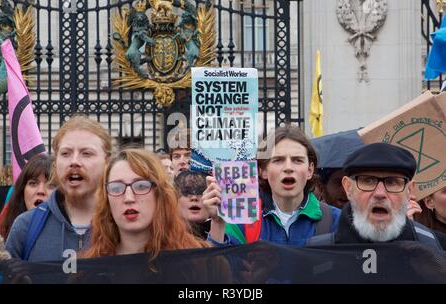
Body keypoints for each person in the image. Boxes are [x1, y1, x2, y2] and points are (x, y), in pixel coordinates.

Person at [203, 125, 341, 247]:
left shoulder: (335, 220)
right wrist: (218, 222)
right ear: (263, 171)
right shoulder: (240, 221)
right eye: (278, 160)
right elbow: (216, 273)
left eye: (297, 160)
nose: (288, 168)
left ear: (310, 170)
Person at [5, 116, 112, 261]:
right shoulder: (26, 226)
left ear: (107, 163)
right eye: (66, 153)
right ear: (55, 165)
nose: (74, 162)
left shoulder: (123, 225)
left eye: (86, 153)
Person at [308, 143, 446, 250]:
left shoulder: (437, 249)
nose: (380, 193)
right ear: (348, 188)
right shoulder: (318, 251)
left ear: (409, 190)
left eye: (392, 182)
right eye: (368, 181)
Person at [85, 148, 210, 258]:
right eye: (117, 188)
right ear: (106, 198)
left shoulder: (201, 262)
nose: (129, 198)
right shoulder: (88, 272)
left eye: (141, 186)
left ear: (160, 194)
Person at [0, 154, 54, 240]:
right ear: (22, 190)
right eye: (33, 183)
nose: (41, 191)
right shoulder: (4, 234)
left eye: (50, 185)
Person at [175, 170, 211, 239]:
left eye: (201, 192)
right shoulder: (161, 238)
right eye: (186, 192)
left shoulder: (230, 239)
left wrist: (218, 224)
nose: (194, 198)